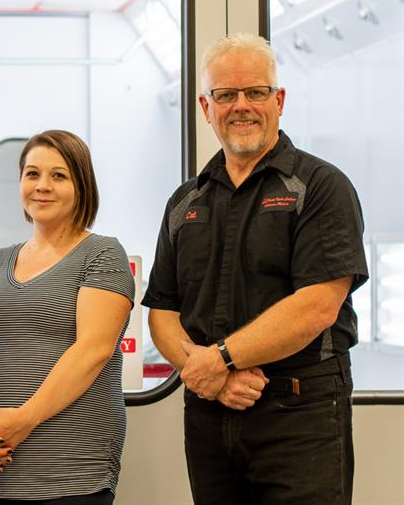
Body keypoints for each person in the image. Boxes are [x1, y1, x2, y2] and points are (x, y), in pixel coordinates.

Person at [142, 33, 368, 505]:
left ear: (278, 100)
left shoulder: (320, 187)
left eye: (255, 92)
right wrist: (210, 375)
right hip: (209, 410)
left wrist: (220, 358)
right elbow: (161, 312)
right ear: (206, 108)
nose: (240, 106)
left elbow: (317, 308)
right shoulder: (185, 202)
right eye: (225, 95)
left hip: (299, 412)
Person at [0, 130, 135, 505]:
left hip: (73, 468)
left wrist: (23, 420)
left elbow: (93, 351)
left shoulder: (103, 254)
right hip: (3, 464)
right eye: (32, 174)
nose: (42, 186)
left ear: (81, 185)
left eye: (58, 176)